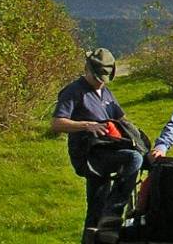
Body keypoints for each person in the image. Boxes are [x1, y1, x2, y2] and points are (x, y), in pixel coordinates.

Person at [51, 48, 145, 243]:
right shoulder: (73, 91)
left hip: (108, 149)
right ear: (87, 69)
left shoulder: (106, 92)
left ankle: (96, 232)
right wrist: (87, 125)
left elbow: (121, 118)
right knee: (133, 158)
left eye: (105, 78)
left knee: (96, 206)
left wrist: (137, 138)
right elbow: (57, 123)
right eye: (98, 77)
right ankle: (113, 212)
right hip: (89, 153)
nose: (101, 81)